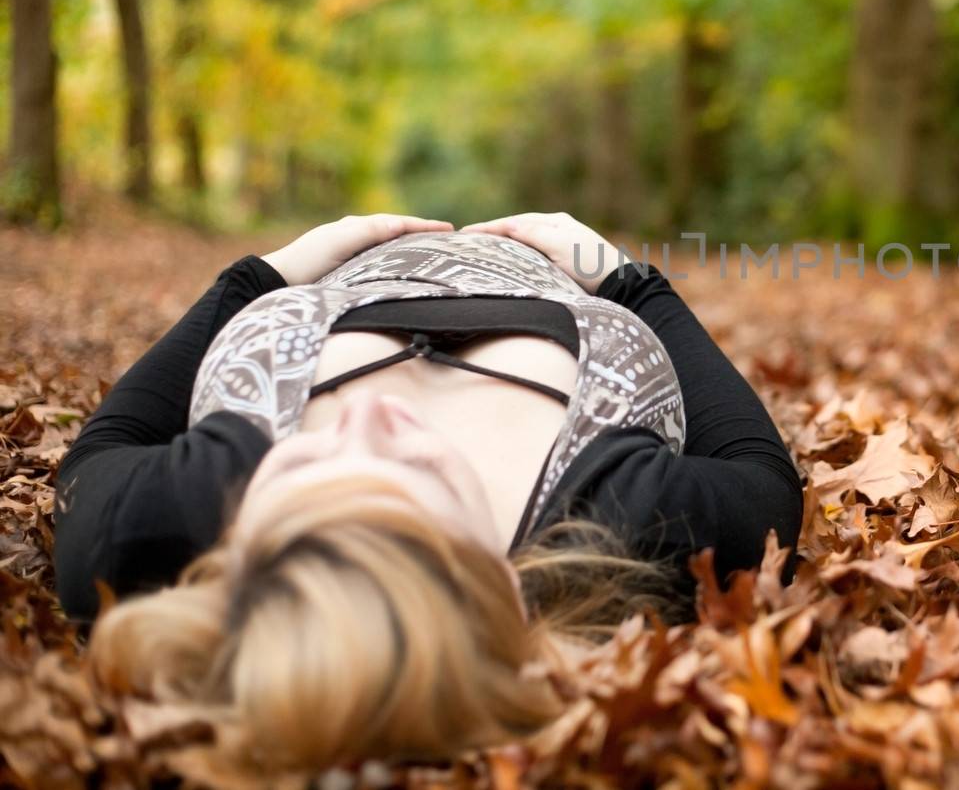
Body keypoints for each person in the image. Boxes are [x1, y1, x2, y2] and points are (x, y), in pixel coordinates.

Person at [51, 211, 804, 772]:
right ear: (500, 592)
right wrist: (623, 276)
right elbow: (762, 474)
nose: (371, 413)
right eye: (415, 467)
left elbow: (104, 446)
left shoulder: (172, 514)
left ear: (240, 547)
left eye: (307, 458)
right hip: (557, 260)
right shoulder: (621, 519)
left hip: (342, 258)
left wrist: (269, 273)